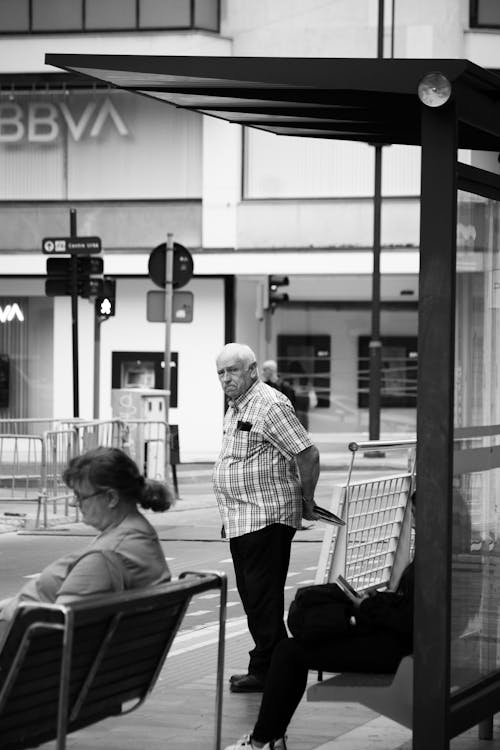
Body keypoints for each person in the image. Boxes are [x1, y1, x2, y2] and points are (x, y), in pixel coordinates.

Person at [213, 342, 320, 694]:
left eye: (232, 370)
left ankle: (270, 669)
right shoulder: (236, 406)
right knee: (255, 597)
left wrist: (307, 500)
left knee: (262, 597)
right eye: (221, 373)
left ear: (252, 370)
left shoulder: (269, 404)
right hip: (243, 518)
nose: (225, 378)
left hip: (266, 515)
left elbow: (307, 454)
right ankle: (269, 665)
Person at [225, 553, 415, 749]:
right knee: (292, 649)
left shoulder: (432, 557)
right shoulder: (437, 554)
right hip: (402, 645)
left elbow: (409, 620)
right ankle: (269, 739)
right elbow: (411, 610)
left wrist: (367, 606)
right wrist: (376, 599)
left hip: (395, 651)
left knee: (289, 653)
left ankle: (262, 741)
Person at [0, 446, 174, 631]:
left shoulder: (105, 557)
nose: (74, 503)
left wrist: (10, 610)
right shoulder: (138, 534)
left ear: (111, 498)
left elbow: (53, 628)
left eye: (80, 496)